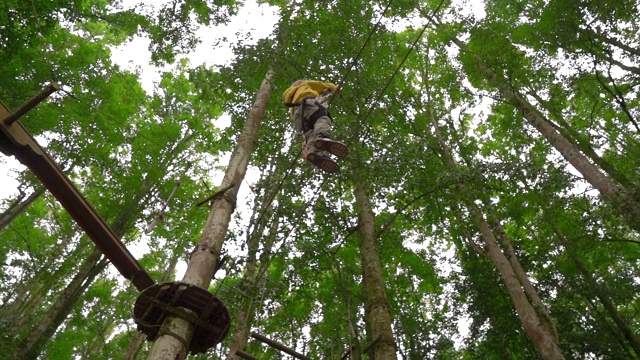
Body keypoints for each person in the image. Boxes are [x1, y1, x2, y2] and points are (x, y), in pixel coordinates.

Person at [283, 79, 348, 173]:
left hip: (299, 117)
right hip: (309, 104)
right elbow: (321, 85)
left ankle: (313, 151)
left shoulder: (291, 96)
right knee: (322, 119)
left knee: (310, 134)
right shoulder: (306, 85)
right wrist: (333, 87)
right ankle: (322, 137)